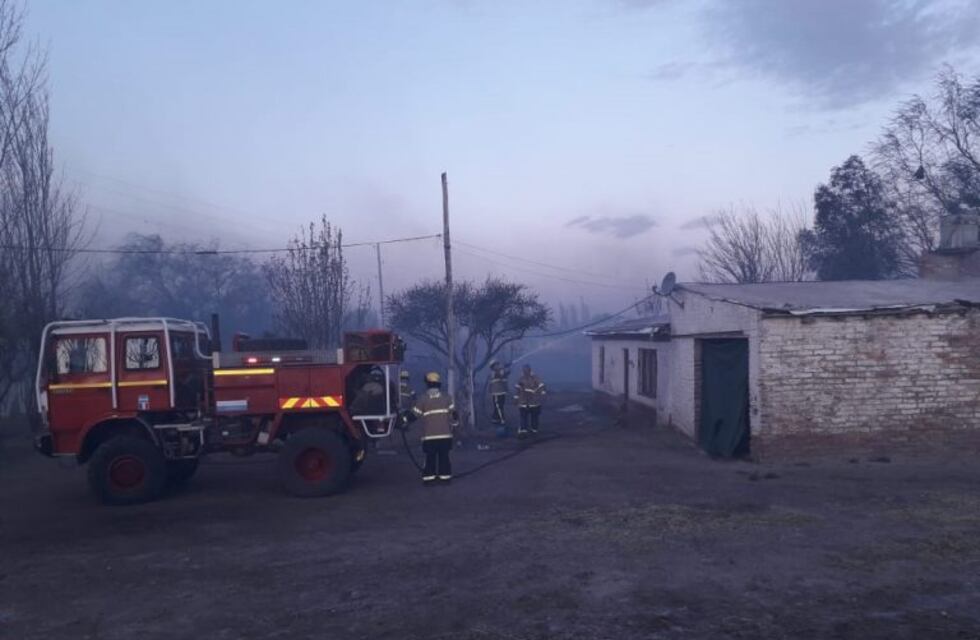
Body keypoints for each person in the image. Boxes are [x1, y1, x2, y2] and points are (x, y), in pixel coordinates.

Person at [411, 372, 457, 485]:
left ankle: (429, 479)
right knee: (444, 457)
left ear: (427, 384)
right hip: (445, 435)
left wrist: (403, 421)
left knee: (430, 458)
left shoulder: (423, 399)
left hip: (429, 436)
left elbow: (414, 415)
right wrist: (455, 426)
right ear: (438, 384)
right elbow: (454, 415)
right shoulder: (447, 398)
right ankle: (445, 478)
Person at [514, 364, 546, 436]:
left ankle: (534, 430)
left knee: (534, 417)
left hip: (534, 403)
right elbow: (517, 390)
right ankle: (523, 431)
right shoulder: (520, 379)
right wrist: (516, 398)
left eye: (527, 369)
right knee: (523, 417)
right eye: (524, 369)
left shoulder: (535, 378)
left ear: (530, 370)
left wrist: (543, 393)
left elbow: (541, 386)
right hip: (523, 403)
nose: (525, 371)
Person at [488, 360, 511, 437]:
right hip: (496, 392)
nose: (498, 365)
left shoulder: (499, 371)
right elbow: (500, 375)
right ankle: (502, 420)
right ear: (493, 367)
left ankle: (495, 420)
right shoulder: (493, 372)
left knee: (498, 406)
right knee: (499, 407)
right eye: (496, 365)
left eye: (498, 364)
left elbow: (503, 376)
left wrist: (507, 371)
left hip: (502, 392)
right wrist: (504, 367)